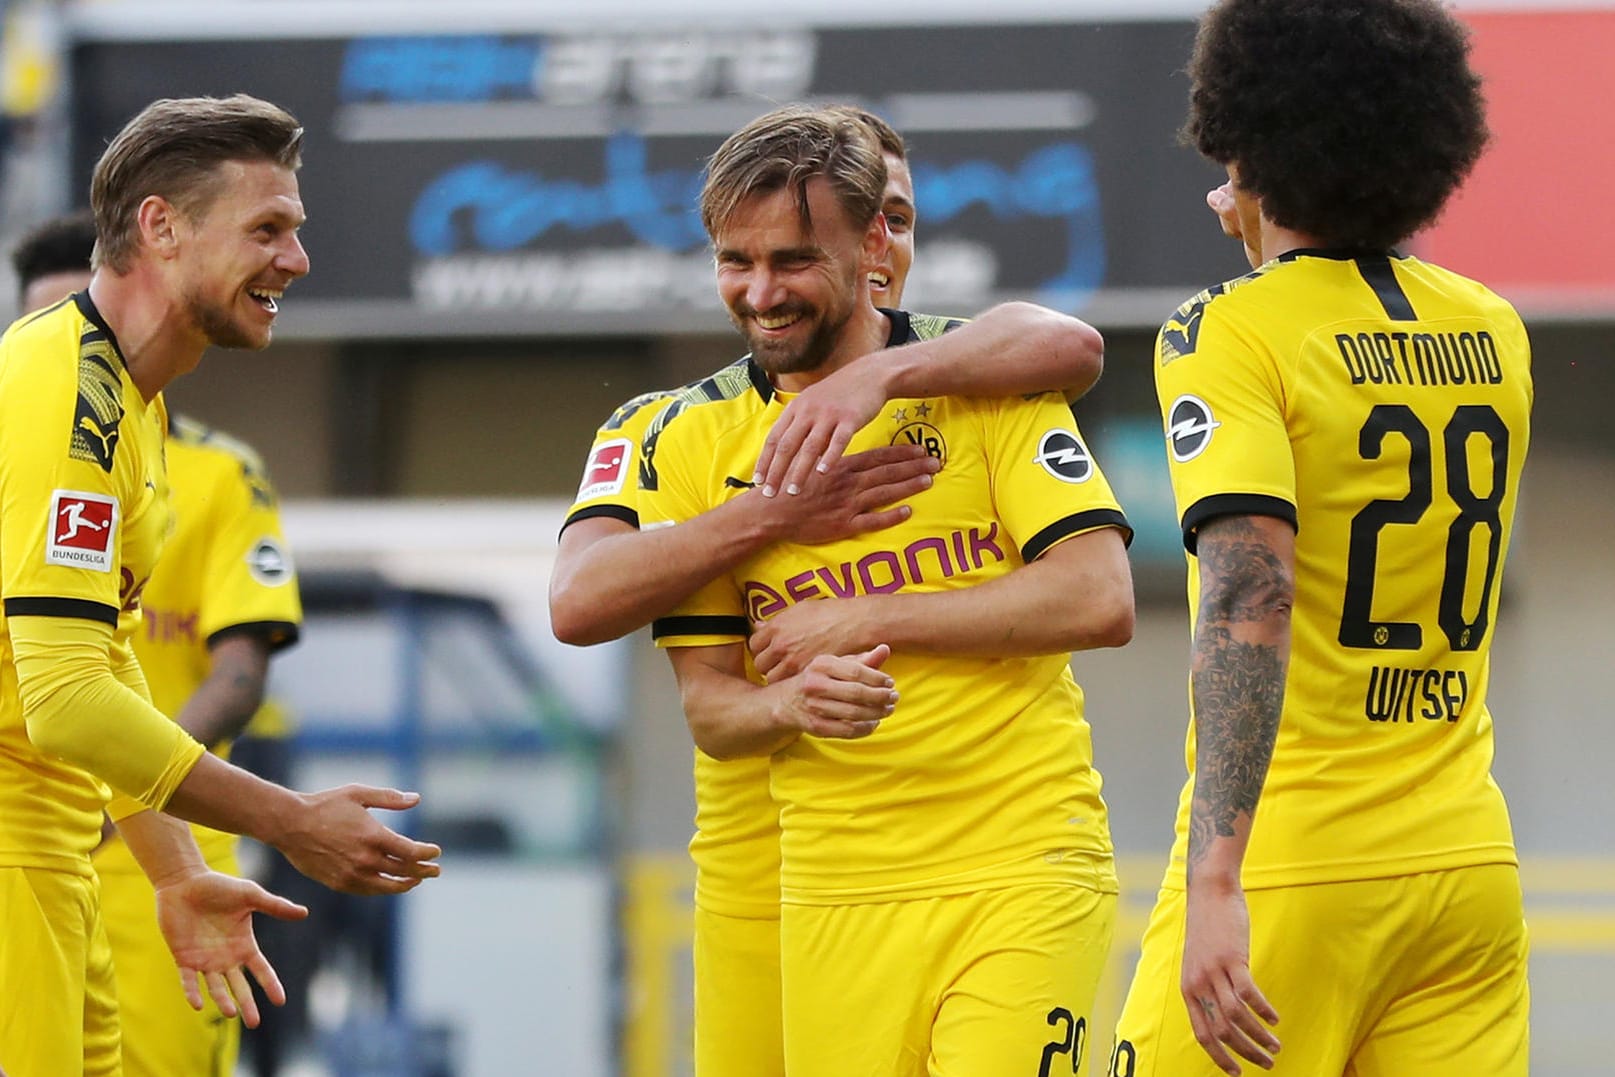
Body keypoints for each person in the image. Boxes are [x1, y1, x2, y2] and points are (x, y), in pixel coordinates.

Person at [551, 107, 1109, 1076]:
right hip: (782, 878)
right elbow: (595, 616)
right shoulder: (674, 432)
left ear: (876, 242)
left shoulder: (978, 375)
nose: (759, 291)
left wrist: (876, 387)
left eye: (794, 260)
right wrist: (772, 516)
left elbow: (1096, 582)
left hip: (1017, 855)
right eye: (735, 261)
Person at [1109, 3, 1531, 1075]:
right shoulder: (1491, 325)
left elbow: (1248, 596)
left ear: (1245, 144)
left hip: (1295, 868)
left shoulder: (1226, 331)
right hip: (1465, 867)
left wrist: (1214, 881)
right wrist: (1271, 211)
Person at [0, 94, 440, 1075]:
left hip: (57, 855)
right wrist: (289, 822)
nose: (296, 261)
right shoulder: (69, 394)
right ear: (160, 227)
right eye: (268, 229)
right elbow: (67, 703)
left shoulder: (132, 403)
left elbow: (101, 665)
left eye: (296, 231)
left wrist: (179, 868)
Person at [12, 209, 308, 1077]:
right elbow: (68, 693)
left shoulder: (197, 463)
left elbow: (230, 670)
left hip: (151, 822)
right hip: (47, 817)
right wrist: (291, 819)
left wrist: (157, 824)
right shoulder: (48, 411)